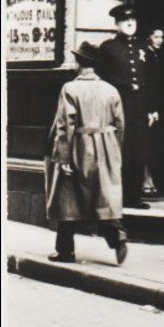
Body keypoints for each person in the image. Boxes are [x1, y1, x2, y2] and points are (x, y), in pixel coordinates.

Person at [45, 41, 128, 264]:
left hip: (79, 146)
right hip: (107, 145)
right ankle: (117, 235)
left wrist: (63, 157)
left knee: (69, 197)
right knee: (103, 195)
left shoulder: (70, 89)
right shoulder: (111, 90)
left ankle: (65, 250)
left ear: (79, 63)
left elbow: (65, 126)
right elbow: (120, 124)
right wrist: (115, 151)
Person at [97, 4, 157, 210]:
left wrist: (152, 108)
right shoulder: (108, 48)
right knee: (119, 150)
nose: (130, 24)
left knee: (139, 150)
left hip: (139, 104)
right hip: (119, 103)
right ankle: (116, 196)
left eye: (133, 20)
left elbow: (151, 79)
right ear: (116, 24)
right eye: (125, 21)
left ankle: (133, 196)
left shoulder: (143, 48)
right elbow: (102, 79)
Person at [143, 26, 164, 198]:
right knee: (147, 145)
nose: (160, 40)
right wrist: (150, 108)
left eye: (162, 37)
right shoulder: (146, 56)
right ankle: (146, 181)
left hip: (157, 107)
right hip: (149, 108)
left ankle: (150, 181)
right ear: (149, 38)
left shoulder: (155, 55)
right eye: (156, 36)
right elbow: (149, 85)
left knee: (153, 145)